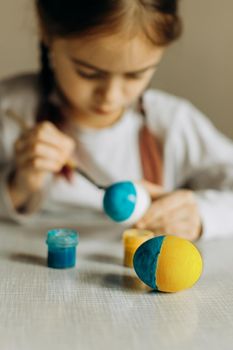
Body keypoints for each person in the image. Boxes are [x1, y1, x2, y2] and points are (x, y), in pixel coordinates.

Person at [0, 0, 233, 241]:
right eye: (88, 73)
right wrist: (18, 187)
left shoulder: (173, 124)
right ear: (46, 32)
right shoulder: (9, 110)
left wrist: (201, 213)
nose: (110, 96)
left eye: (135, 76)